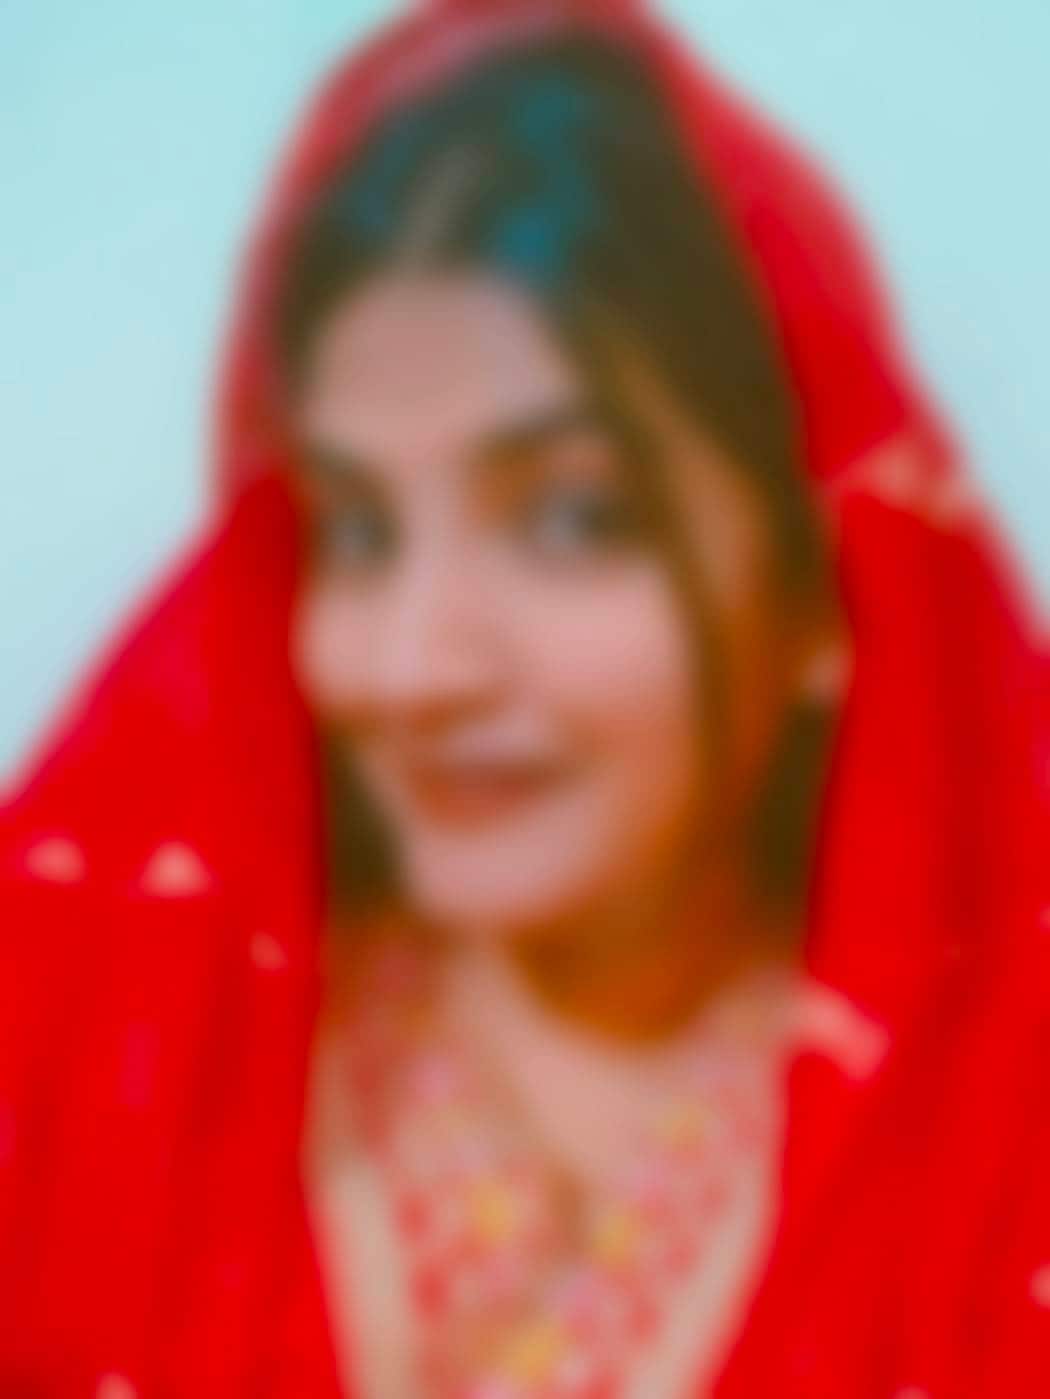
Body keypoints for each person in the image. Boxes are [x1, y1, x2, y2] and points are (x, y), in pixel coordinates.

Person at [1, 2, 1046, 1396]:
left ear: (824, 582)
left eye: (573, 519)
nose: (413, 668)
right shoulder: (97, 1049)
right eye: (358, 531)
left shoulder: (997, 1140)